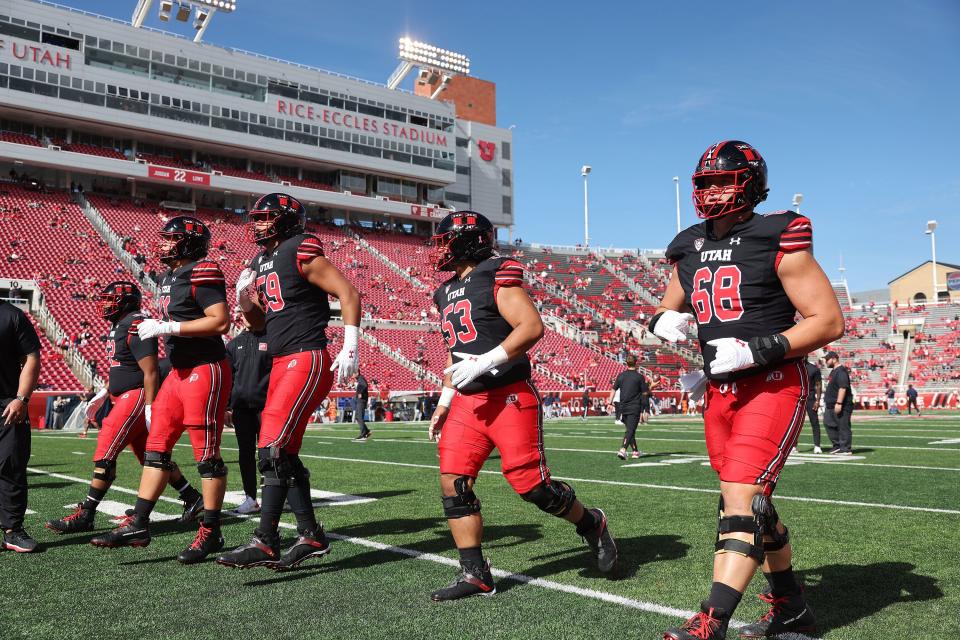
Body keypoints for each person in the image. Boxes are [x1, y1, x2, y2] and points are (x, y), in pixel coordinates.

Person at [652, 141, 843, 639]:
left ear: (752, 182)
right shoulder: (688, 244)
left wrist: (758, 349)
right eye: (707, 182)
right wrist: (662, 324)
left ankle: (710, 621)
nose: (715, 190)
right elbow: (670, 308)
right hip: (721, 391)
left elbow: (828, 321)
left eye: (726, 180)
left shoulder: (775, 233)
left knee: (739, 498)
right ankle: (792, 606)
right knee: (750, 502)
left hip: (772, 382)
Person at [426, 211, 617, 601]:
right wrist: (445, 399)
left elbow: (531, 326)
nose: (440, 248)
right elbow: (455, 352)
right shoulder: (444, 291)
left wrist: (486, 361)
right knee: (453, 483)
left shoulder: (495, 272)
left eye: (447, 241)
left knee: (533, 487)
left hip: (508, 395)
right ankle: (476, 573)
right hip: (468, 401)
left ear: (471, 241)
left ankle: (591, 522)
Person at [218, 193, 360, 570]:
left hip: (305, 356)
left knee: (271, 449)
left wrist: (351, 346)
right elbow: (261, 322)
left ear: (285, 220)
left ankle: (265, 541)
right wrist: (243, 298)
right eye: (257, 218)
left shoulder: (300, 247)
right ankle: (310, 534)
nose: (258, 224)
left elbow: (348, 292)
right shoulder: (261, 261)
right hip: (281, 359)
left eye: (266, 218)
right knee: (284, 454)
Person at [91, 217, 233, 564]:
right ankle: (139, 523)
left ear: (189, 242)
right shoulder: (170, 276)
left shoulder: (203, 270)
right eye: (164, 238)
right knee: (156, 449)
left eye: (171, 239)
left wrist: (169, 326)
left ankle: (211, 531)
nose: (163, 244)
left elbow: (220, 320)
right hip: (179, 372)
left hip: (206, 368)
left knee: (207, 454)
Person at [47, 282, 204, 535]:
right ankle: (192, 496)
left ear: (126, 301)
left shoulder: (134, 323)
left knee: (105, 453)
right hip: (126, 395)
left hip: (137, 396)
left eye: (110, 300)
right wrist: (103, 392)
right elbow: (124, 366)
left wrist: (151, 407)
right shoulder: (121, 324)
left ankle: (86, 514)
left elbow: (150, 371)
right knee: (151, 458)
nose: (105, 305)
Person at [0, 299, 41, 552]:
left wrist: (21, 398)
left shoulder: (12, 315)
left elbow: (31, 356)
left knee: (10, 464)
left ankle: (13, 530)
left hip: (7, 403)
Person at [224, 314, 272, 515]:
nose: (248, 317)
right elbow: (228, 377)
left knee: (270, 453)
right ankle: (250, 498)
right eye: (245, 313)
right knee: (245, 454)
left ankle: (274, 496)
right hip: (242, 408)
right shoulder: (233, 345)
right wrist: (227, 406)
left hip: (267, 408)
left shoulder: (271, 340)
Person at [608, 354, 644, 459]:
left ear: (626, 363)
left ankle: (635, 451)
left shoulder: (621, 375)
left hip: (624, 407)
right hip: (634, 407)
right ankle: (623, 449)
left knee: (630, 429)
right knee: (630, 430)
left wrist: (609, 402)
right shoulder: (639, 376)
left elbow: (613, 389)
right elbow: (645, 392)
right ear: (636, 363)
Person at [823, 351, 854, 455]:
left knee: (843, 426)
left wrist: (839, 403)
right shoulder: (833, 371)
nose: (825, 362)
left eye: (827, 359)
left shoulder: (841, 371)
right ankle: (837, 445)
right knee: (828, 423)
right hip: (830, 404)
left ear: (834, 359)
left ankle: (845, 448)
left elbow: (843, 387)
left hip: (842, 404)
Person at [799, 357, 824, 454]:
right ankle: (793, 446)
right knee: (796, 423)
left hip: (810, 399)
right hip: (798, 399)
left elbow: (818, 385)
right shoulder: (795, 368)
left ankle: (817, 445)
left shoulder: (813, 369)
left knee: (815, 423)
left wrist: (817, 400)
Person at [352, 373, 371, 441]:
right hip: (360, 400)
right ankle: (366, 431)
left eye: (353, 373)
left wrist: (360, 392)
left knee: (359, 417)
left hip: (361, 400)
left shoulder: (361, 378)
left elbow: (365, 385)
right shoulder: (359, 379)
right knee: (357, 417)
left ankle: (363, 434)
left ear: (357, 373)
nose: (352, 374)